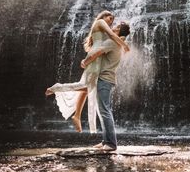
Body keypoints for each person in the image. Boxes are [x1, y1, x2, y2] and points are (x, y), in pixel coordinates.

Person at [45, 10, 129, 133]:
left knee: (88, 88)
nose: (112, 23)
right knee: (86, 86)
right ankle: (57, 88)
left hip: (97, 58)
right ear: (104, 16)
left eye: (113, 22)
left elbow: (111, 38)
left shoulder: (105, 29)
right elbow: (111, 37)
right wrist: (124, 45)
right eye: (110, 19)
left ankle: (77, 116)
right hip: (95, 56)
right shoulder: (101, 22)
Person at [81, 21, 130, 151]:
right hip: (105, 78)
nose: (113, 27)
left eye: (117, 27)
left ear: (119, 31)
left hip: (104, 79)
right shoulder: (117, 42)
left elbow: (97, 53)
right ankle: (105, 141)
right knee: (102, 110)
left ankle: (111, 144)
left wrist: (85, 62)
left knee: (105, 111)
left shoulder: (113, 42)